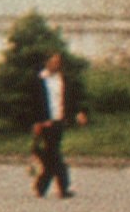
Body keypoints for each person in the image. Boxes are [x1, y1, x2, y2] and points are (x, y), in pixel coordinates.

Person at [29, 48, 88, 199]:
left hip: (59, 121)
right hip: (45, 123)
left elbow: (70, 98)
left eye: (58, 62)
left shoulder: (63, 79)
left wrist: (77, 112)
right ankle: (64, 187)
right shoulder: (39, 80)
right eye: (53, 62)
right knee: (55, 155)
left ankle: (41, 187)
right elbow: (34, 103)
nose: (56, 65)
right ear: (46, 62)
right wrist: (38, 122)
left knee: (52, 156)